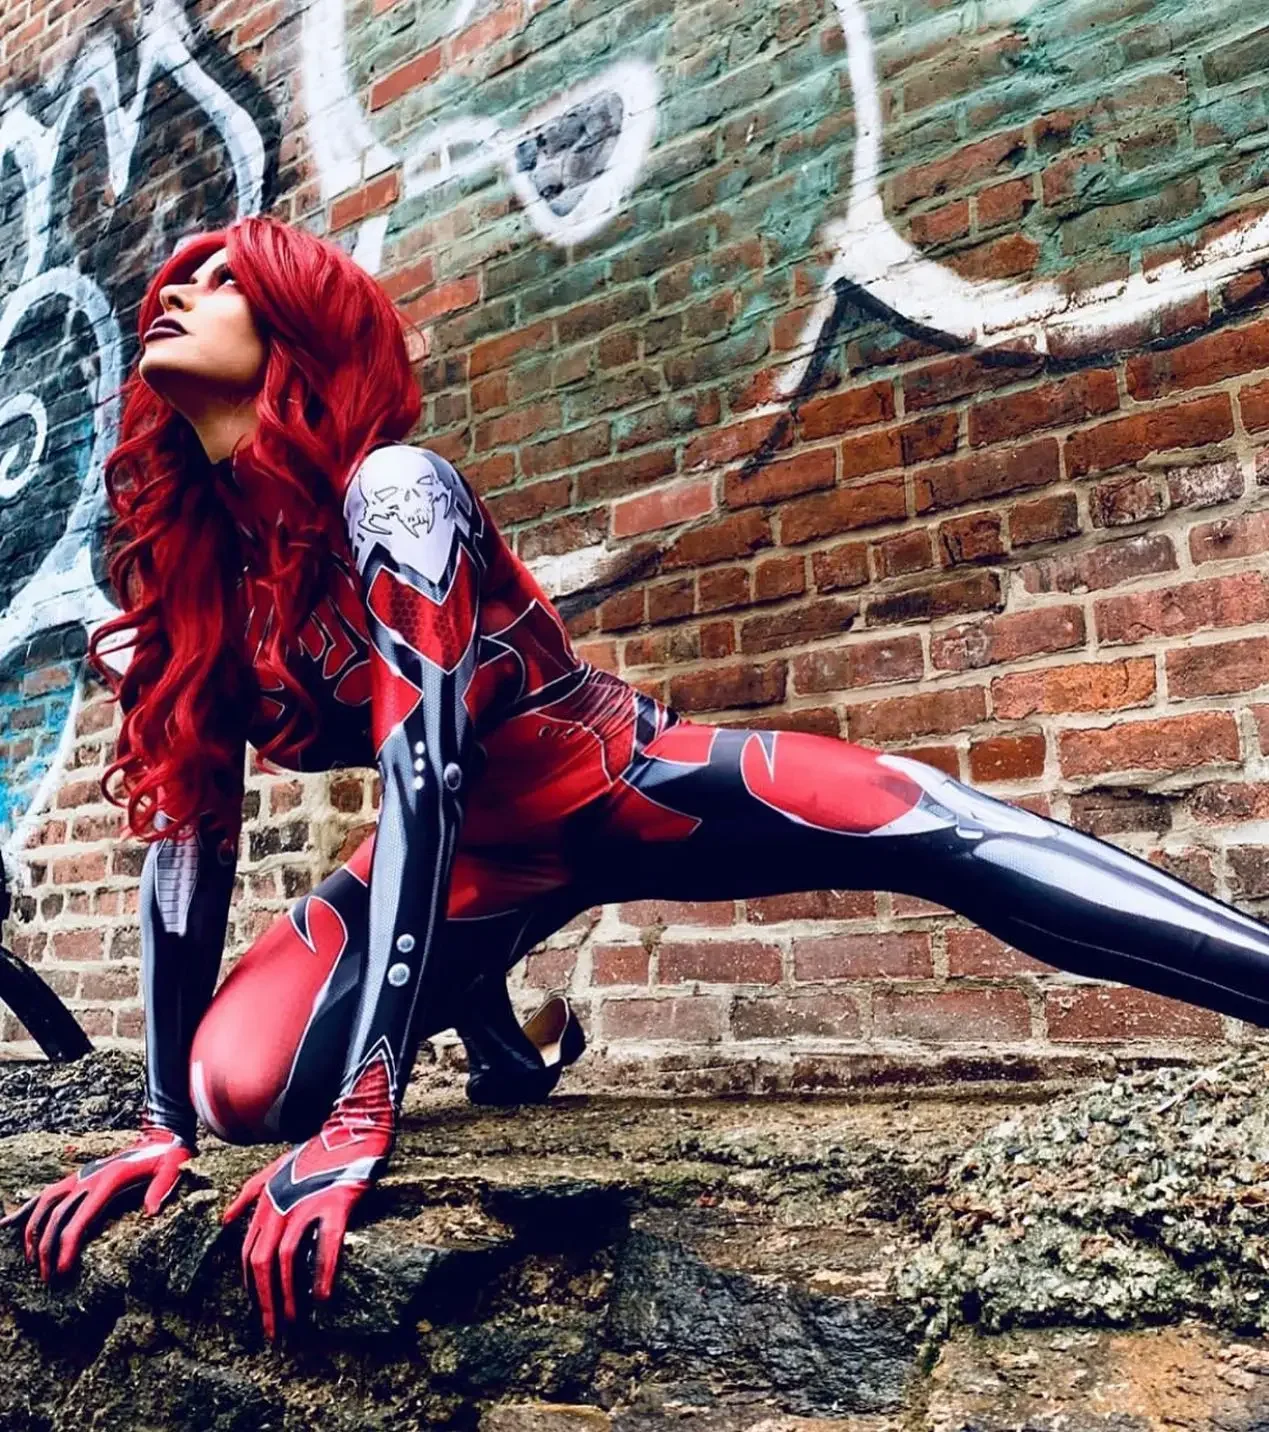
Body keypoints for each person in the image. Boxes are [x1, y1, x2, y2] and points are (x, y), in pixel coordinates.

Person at [4, 216, 1269, 1346]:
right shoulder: (191, 586)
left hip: (615, 782)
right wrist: (162, 1125)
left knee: (932, 823)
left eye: (224, 279)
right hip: (479, 867)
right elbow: (189, 842)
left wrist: (365, 1112)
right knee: (238, 1087)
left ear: (299, 327)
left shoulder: (394, 493)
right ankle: (500, 1017)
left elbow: (422, 780)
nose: (177, 292)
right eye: (174, 279)